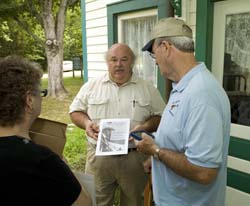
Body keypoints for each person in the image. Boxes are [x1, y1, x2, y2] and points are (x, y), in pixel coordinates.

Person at [135, 17, 231, 206]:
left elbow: (204, 172)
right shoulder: (183, 87)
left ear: (166, 47)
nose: (155, 62)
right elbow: (180, 139)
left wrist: (155, 150)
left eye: (154, 54)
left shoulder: (201, 95)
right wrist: (156, 161)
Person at [69, 43, 166, 206]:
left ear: (132, 63)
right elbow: (75, 111)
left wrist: (146, 126)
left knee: (133, 202)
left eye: (124, 59)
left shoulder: (147, 88)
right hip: (99, 158)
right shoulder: (92, 86)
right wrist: (86, 123)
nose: (119, 64)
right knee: (97, 202)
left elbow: (161, 116)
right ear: (107, 62)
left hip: (134, 157)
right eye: (113, 59)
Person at [0, 56, 92, 206]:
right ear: (29, 101)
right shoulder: (42, 160)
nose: (42, 98)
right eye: (41, 92)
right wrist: (64, 167)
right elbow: (84, 203)